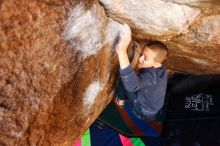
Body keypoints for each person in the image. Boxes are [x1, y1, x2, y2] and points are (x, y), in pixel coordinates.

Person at [114, 23, 169, 121]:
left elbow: (131, 85)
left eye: (145, 58)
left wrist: (121, 51)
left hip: (143, 112)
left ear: (156, 64)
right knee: (133, 79)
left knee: (124, 80)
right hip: (154, 110)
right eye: (142, 54)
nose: (140, 59)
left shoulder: (150, 76)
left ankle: (120, 101)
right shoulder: (161, 68)